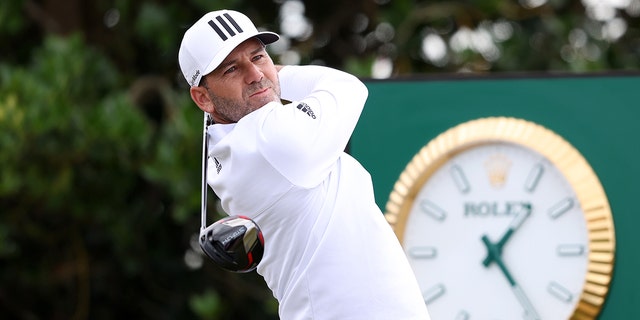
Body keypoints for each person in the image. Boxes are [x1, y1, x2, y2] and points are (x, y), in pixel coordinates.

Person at [178, 9, 431, 320]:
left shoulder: (228, 148)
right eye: (232, 69)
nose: (254, 74)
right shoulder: (267, 135)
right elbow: (350, 87)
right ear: (202, 98)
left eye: (258, 57)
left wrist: (263, 78)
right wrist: (279, 76)